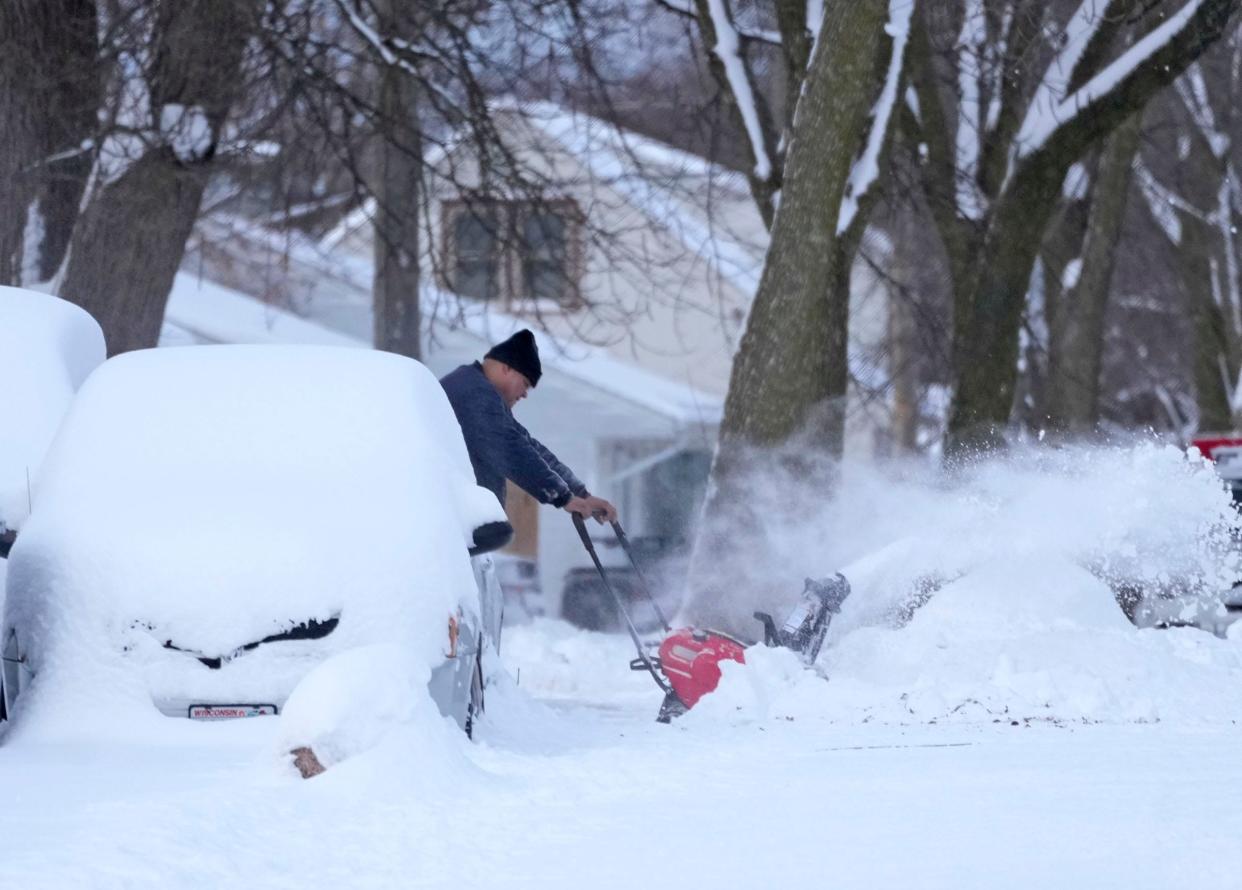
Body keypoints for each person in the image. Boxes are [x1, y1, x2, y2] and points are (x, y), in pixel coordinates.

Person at [440, 329, 618, 524]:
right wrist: (563, 497)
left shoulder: (479, 391)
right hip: (445, 518)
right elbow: (510, 449)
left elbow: (528, 446)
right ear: (506, 368)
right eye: (525, 383)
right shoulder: (473, 394)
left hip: (453, 518)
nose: (525, 394)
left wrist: (580, 494)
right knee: (494, 533)